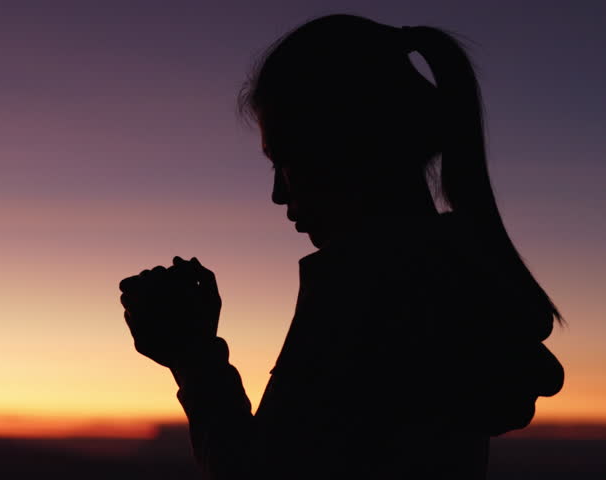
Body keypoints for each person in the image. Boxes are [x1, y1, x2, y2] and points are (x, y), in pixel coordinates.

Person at [118, 14, 564, 479]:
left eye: (286, 163)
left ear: (348, 151)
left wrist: (194, 358)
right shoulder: (450, 281)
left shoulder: (368, 288)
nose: (278, 194)